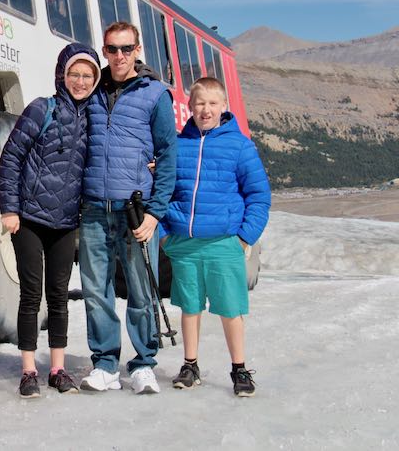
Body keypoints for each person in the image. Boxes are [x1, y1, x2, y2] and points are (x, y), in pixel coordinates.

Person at [79, 21, 177, 394]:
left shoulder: (155, 94)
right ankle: (104, 364)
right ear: (104, 51)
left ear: (137, 50)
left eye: (125, 49)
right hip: (92, 209)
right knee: (95, 290)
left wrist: (155, 213)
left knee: (140, 291)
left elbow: (168, 155)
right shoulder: (92, 92)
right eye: (111, 49)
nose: (118, 56)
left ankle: (143, 364)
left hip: (135, 211)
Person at [0, 43, 101, 398]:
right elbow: (11, 157)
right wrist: (9, 209)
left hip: (65, 221)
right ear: (62, 74)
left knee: (58, 297)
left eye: (88, 75)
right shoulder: (41, 109)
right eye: (75, 74)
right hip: (28, 217)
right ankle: (28, 371)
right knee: (31, 296)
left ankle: (57, 369)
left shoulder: (95, 120)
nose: (81, 81)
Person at [160, 77, 270, 397]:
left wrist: (244, 238)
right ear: (189, 107)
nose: (205, 110)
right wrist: (167, 236)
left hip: (224, 243)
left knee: (229, 307)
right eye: (199, 103)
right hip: (185, 244)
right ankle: (190, 365)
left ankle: (239, 369)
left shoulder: (239, 146)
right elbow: (163, 192)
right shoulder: (179, 146)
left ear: (224, 107)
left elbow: (259, 196)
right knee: (189, 307)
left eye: (212, 104)